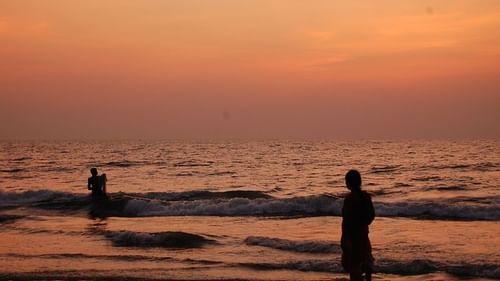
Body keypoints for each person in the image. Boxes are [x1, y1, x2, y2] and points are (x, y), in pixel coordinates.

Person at [341, 170, 375, 281]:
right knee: (366, 261)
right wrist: (363, 224)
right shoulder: (366, 197)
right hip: (363, 234)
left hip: (352, 237)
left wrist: (344, 238)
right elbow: (371, 216)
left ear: (349, 183)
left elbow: (345, 221)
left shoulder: (349, 200)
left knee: (354, 266)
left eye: (346, 181)